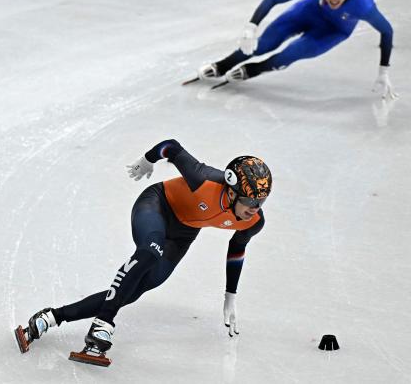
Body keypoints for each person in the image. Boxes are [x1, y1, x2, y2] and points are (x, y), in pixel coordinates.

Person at [14, 139, 272, 360]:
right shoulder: (203, 179)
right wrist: (148, 159)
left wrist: (230, 295)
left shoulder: (253, 221)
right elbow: (171, 147)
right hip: (157, 205)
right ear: (231, 190)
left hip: (182, 234)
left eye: (260, 202)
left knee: (136, 289)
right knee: (149, 252)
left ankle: (51, 317)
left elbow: (237, 249)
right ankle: (104, 322)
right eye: (250, 200)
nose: (254, 208)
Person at [196, 0, 398, 100]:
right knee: (263, 44)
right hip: (308, 12)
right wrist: (251, 27)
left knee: (290, 53)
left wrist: (383, 71)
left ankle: (254, 70)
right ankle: (223, 65)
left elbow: (387, 31)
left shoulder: (362, 4)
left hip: (334, 31)